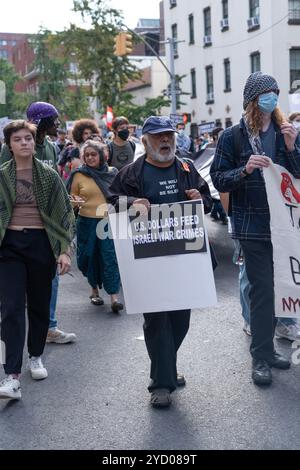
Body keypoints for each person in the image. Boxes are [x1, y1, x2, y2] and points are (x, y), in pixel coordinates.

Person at [109, 116, 212, 408]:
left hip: (185, 260)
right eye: (158, 137)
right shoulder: (131, 173)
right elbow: (110, 204)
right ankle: (161, 384)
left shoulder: (187, 168)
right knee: (157, 321)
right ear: (145, 141)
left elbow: (207, 201)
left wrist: (199, 197)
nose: (165, 140)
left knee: (180, 320)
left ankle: (166, 365)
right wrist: (131, 204)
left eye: (168, 135)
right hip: (147, 261)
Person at [210, 72, 300, 386]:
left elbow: (297, 176)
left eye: (275, 93)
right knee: (262, 290)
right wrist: (245, 169)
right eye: (266, 93)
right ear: (252, 99)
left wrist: (291, 147)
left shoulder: (286, 131)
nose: (272, 98)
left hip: (285, 227)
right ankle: (260, 357)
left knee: (279, 290)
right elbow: (219, 178)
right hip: (251, 226)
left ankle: (269, 349)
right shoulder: (233, 137)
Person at [0, 120, 75, 400]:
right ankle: (12, 376)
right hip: (9, 247)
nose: (24, 143)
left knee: (40, 305)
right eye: (18, 139)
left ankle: (35, 355)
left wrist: (64, 250)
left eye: (28, 139)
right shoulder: (1, 175)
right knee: (10, 308)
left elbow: (65, 214)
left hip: (41, 244)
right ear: (10, 145)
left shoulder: (49, 175)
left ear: (34, 143)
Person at [67, 140, 123, 313]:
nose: (90, 158)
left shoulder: (113, 173)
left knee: (109, 257)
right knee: (88, 257)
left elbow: (120, 195)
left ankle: (114, 297)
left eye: (94, 154)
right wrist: (76, 202)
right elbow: (70, 199)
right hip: (86, 222)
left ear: (102, 156)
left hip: (108, 222)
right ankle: (94, 291)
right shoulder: (78, 174)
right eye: (87, 155)